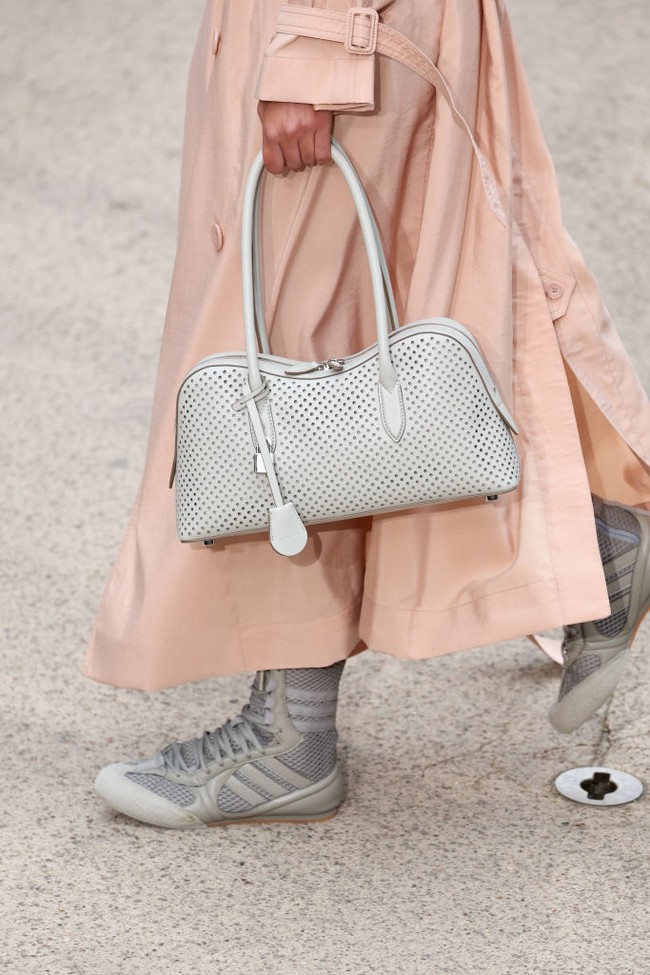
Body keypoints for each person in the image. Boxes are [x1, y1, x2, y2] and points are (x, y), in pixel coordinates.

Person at [89, 0, 650, 829]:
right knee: (424, 300)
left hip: (323, 27)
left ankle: (289, 738)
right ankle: (600, 542)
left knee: (287, 355)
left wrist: (315, 49)